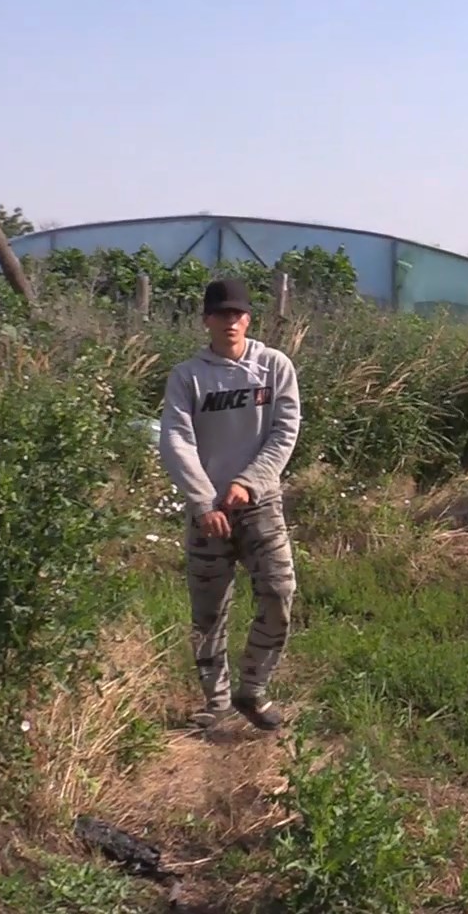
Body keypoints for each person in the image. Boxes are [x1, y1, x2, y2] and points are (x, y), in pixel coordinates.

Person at [158, 278, 302, 732]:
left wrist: (249, 482)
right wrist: (203, 502)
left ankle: (253, 691)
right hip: (208, 516)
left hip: (260, 507)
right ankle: (215, 700)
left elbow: (285, 431)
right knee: (208, 611)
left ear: (248, 319)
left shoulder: (274, 366)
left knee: (280, 594)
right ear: (206, 320)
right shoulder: (188, 376)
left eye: (238, 314)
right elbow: (175, 440)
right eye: (221, 314)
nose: (230, 322)